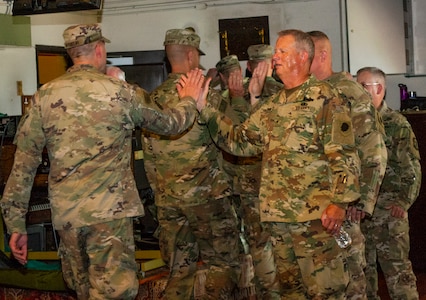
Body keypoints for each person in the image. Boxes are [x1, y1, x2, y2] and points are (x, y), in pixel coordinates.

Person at [0, 23, 205, 300]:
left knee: (82, 291)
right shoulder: (120, 92)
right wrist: (189, 100)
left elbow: (23, 166)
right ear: (99, 50)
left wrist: (15, 225)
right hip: (110, 216)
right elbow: (170, 124)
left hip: (68, 218)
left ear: (71, 54)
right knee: (115, 293)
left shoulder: (43, 97)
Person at [197, 29, 361, 299]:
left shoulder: (326, 98)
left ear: (303, 56)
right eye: (276, 51)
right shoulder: (272, 105)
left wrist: (340, 203)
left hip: (316, 219)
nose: (275, 57)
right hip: (279, 220)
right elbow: (241, 142)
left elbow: (343, 154)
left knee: (326, 292)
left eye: (283, 51)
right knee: (291, 293)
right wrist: (205, 107)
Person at [142, 28, 241, 299]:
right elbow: (234, 139)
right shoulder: (207, 97)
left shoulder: (152, 100)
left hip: (168, 201)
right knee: (223, 266)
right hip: (208, 199)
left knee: (178, 272)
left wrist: (160, 193)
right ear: (190, 54)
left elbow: (147, 154)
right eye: (197, 54)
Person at [307, 30, 387, 300]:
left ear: (322, 55)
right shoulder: (305, 93)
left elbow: (374, 151)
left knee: (350, 284)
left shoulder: (349, 92)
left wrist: (362, 201)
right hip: (311, 211)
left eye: (306, 54)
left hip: (343, 208)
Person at [215, 54, 280, 299]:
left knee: (259, 245)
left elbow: (243, 134)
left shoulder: (242, 96)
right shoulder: (283, 93)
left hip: (253, 184)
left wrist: (239, 99)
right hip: (257, 184)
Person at [356, 66, 421, 300]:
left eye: (363, 86)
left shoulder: (396, 124)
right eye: (357, 85)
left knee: (398, 274)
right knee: (364, 277)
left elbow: (412, 169)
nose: (358, 90)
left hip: (388, 214)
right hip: (362, 214)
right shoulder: (356, 124)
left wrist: (403, 202)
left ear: (379, 89)